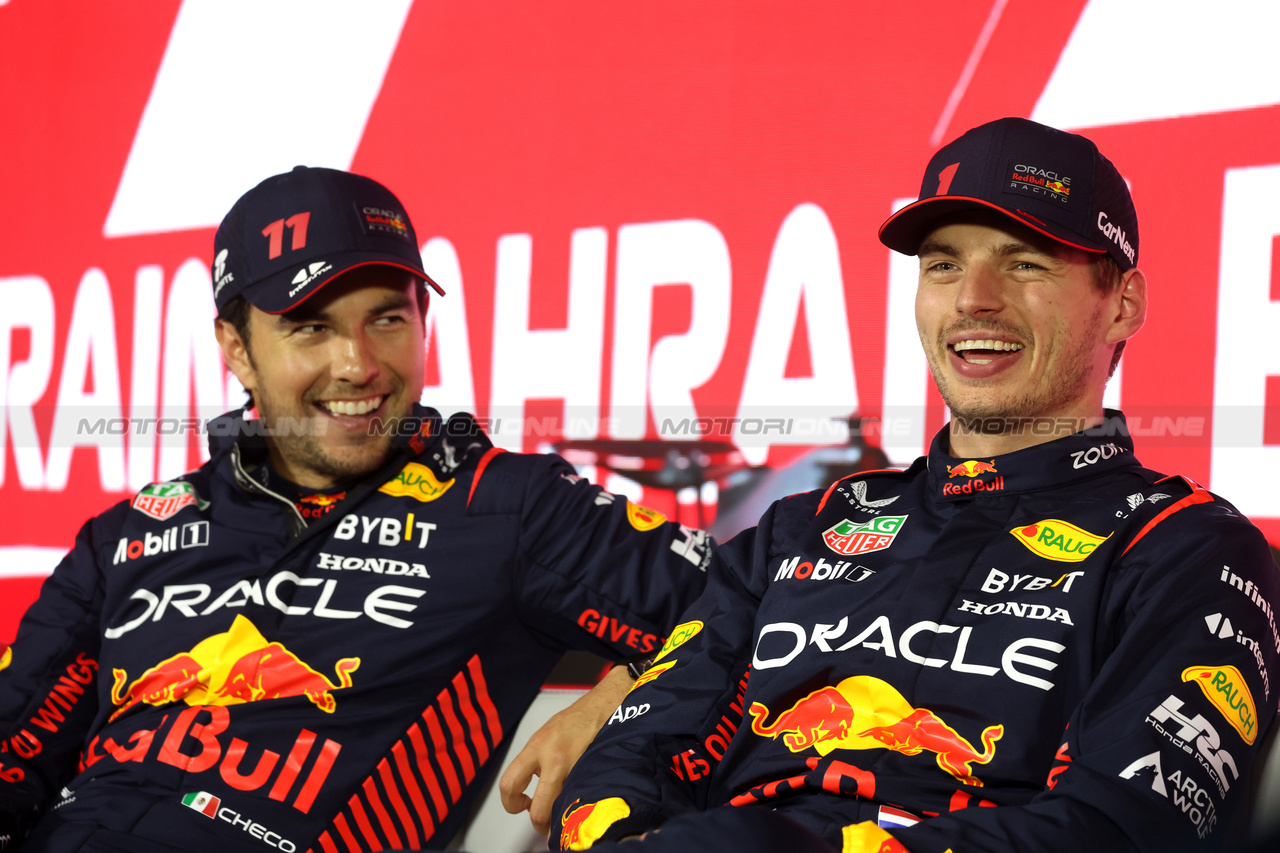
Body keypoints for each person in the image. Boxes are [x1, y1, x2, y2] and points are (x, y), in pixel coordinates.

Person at [550, 117, 1280, 852]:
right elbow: (636, 751)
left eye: (1024, 263)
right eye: (942, 265)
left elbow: (1121, 827)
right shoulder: (799, 528)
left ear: (1122, 303)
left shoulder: (1185, 546)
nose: (974, 299)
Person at [0, 166, 713, 852]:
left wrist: (624, 700)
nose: (357, 363)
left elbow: (759, 595)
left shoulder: (504, 504)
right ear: (237, 349)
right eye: (310, 327)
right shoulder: (127, 536)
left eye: (387, 318)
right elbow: (15, 742)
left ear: (423, 319)